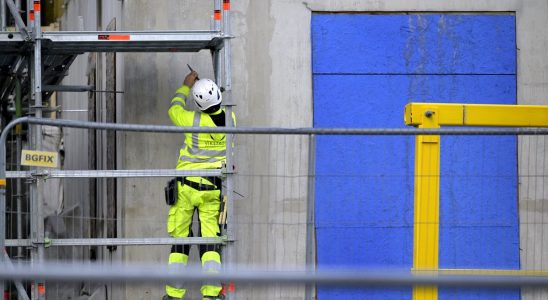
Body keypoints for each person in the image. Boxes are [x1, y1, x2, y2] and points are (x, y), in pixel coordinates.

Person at [164, 70, 235, 300]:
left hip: (185, 188)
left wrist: (186, 86)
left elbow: (174, 108)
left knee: (181, 240)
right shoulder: (230, 120)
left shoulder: (190, 119)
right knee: (210, 241)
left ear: (197, 103)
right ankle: (212, 294)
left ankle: (174, 294)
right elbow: (218, 106)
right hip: (212, 188)